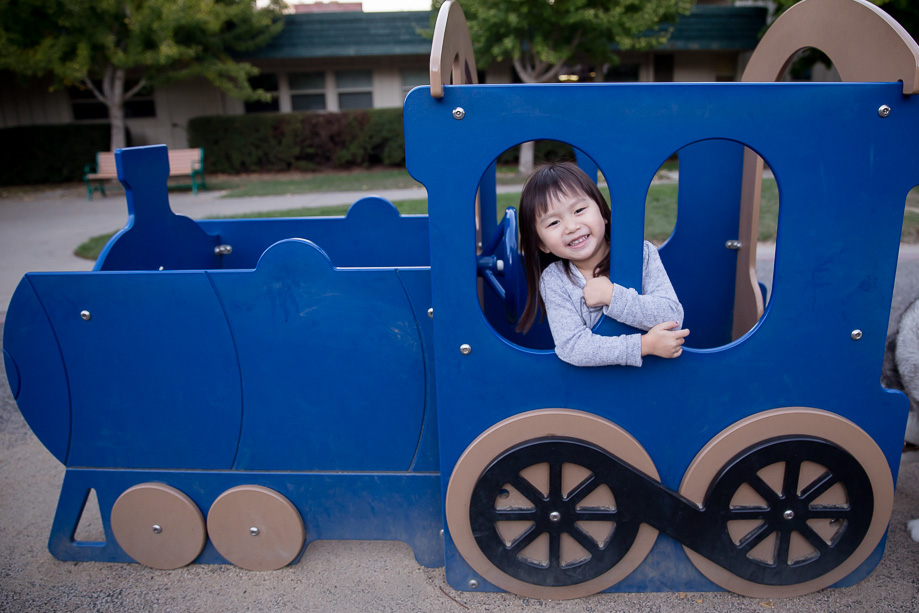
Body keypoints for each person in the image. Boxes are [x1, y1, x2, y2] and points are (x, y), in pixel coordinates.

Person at [516, 161, 688, 366]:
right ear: (541, 244)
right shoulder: (555, 279)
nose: (571, 226)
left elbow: (672, 316)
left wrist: (613, 297)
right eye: (554, 222)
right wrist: (643, 345)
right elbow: (572, 347)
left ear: (602, 213)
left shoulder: (641, 253)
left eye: (579, 210)